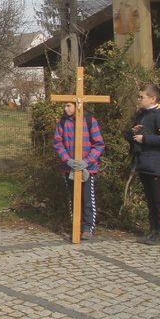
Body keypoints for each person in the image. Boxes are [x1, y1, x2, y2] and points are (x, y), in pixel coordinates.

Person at [124, 83, 160, 245]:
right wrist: (132, 133)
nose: (138, 100)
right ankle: (153, 230)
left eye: (141, 97)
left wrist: (145, 138)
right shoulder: (141, 114)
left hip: (156, 164)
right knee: (151, 200)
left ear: (153, 99)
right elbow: (128, 135)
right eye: (138, 97)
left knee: (159, 201)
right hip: (143, 163)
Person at [52, 102, 105, 240]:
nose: (66, 108)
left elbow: (98, 144)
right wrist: (68, 160)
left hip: (87, 168)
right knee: (74, 198)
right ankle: (76, 226)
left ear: (78, 105)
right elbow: (58, 143)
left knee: (87, 199)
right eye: (65, 105)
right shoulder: (62, 122)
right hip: (68, 167)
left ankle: (88, 228)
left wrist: (86, 162)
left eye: (69, 105)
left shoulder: (90, 121)